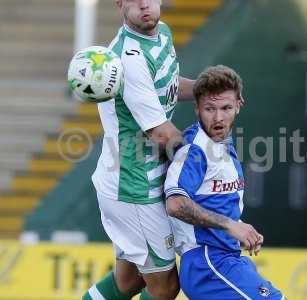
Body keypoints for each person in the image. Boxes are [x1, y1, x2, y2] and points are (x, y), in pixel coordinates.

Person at [83, 0, 195, 299]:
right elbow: (161, 133)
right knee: (166, 287)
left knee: (128, 282)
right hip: (133, 186)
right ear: (119, 3)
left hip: (142, 178)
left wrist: (209, 90)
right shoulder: (127, 57)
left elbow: (169, 86)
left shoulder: (163, 34)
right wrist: (210, 161)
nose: (144, 4)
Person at [164, 65, 285, 299]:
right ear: (197, 108)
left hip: (226, 258)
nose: (218, 118)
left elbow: (214, 201)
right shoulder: (195, 151)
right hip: (207, 263)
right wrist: (231, 226)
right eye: (210, 108)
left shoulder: (222, 145)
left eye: (226, 108)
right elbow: (175, 203)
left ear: (239, 104)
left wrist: (241, 229)